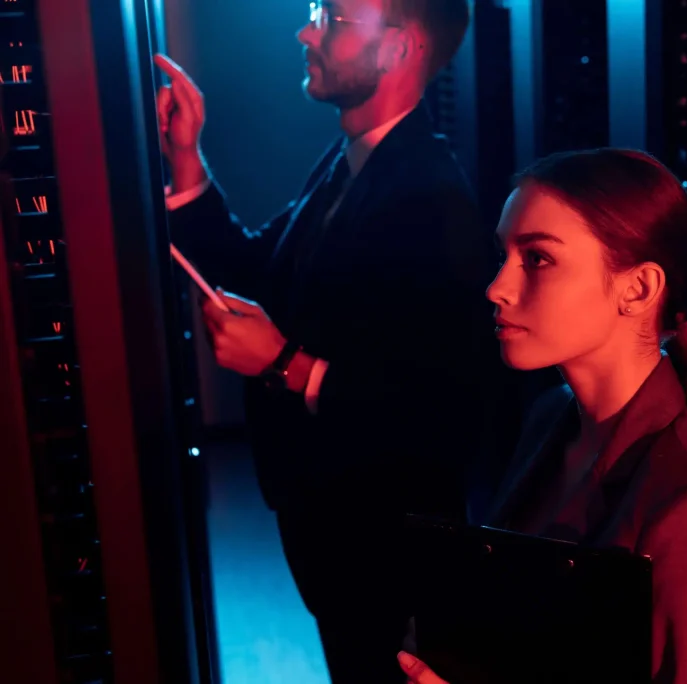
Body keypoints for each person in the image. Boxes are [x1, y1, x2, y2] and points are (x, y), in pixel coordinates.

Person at [154, 1, 497, 681]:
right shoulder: (356, 160)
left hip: (384, 552)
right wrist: (187, 162)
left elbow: (446, 415)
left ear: (400, 49)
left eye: (333, 18)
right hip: (333, 536)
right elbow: (263, 268)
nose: (306, 31)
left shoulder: (434, 200)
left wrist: (287, 364)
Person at [396, 149, 687, 684]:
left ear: (638, 289)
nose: (497, 287)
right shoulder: (551, 420)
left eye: (538, 259)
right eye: (503, 255)